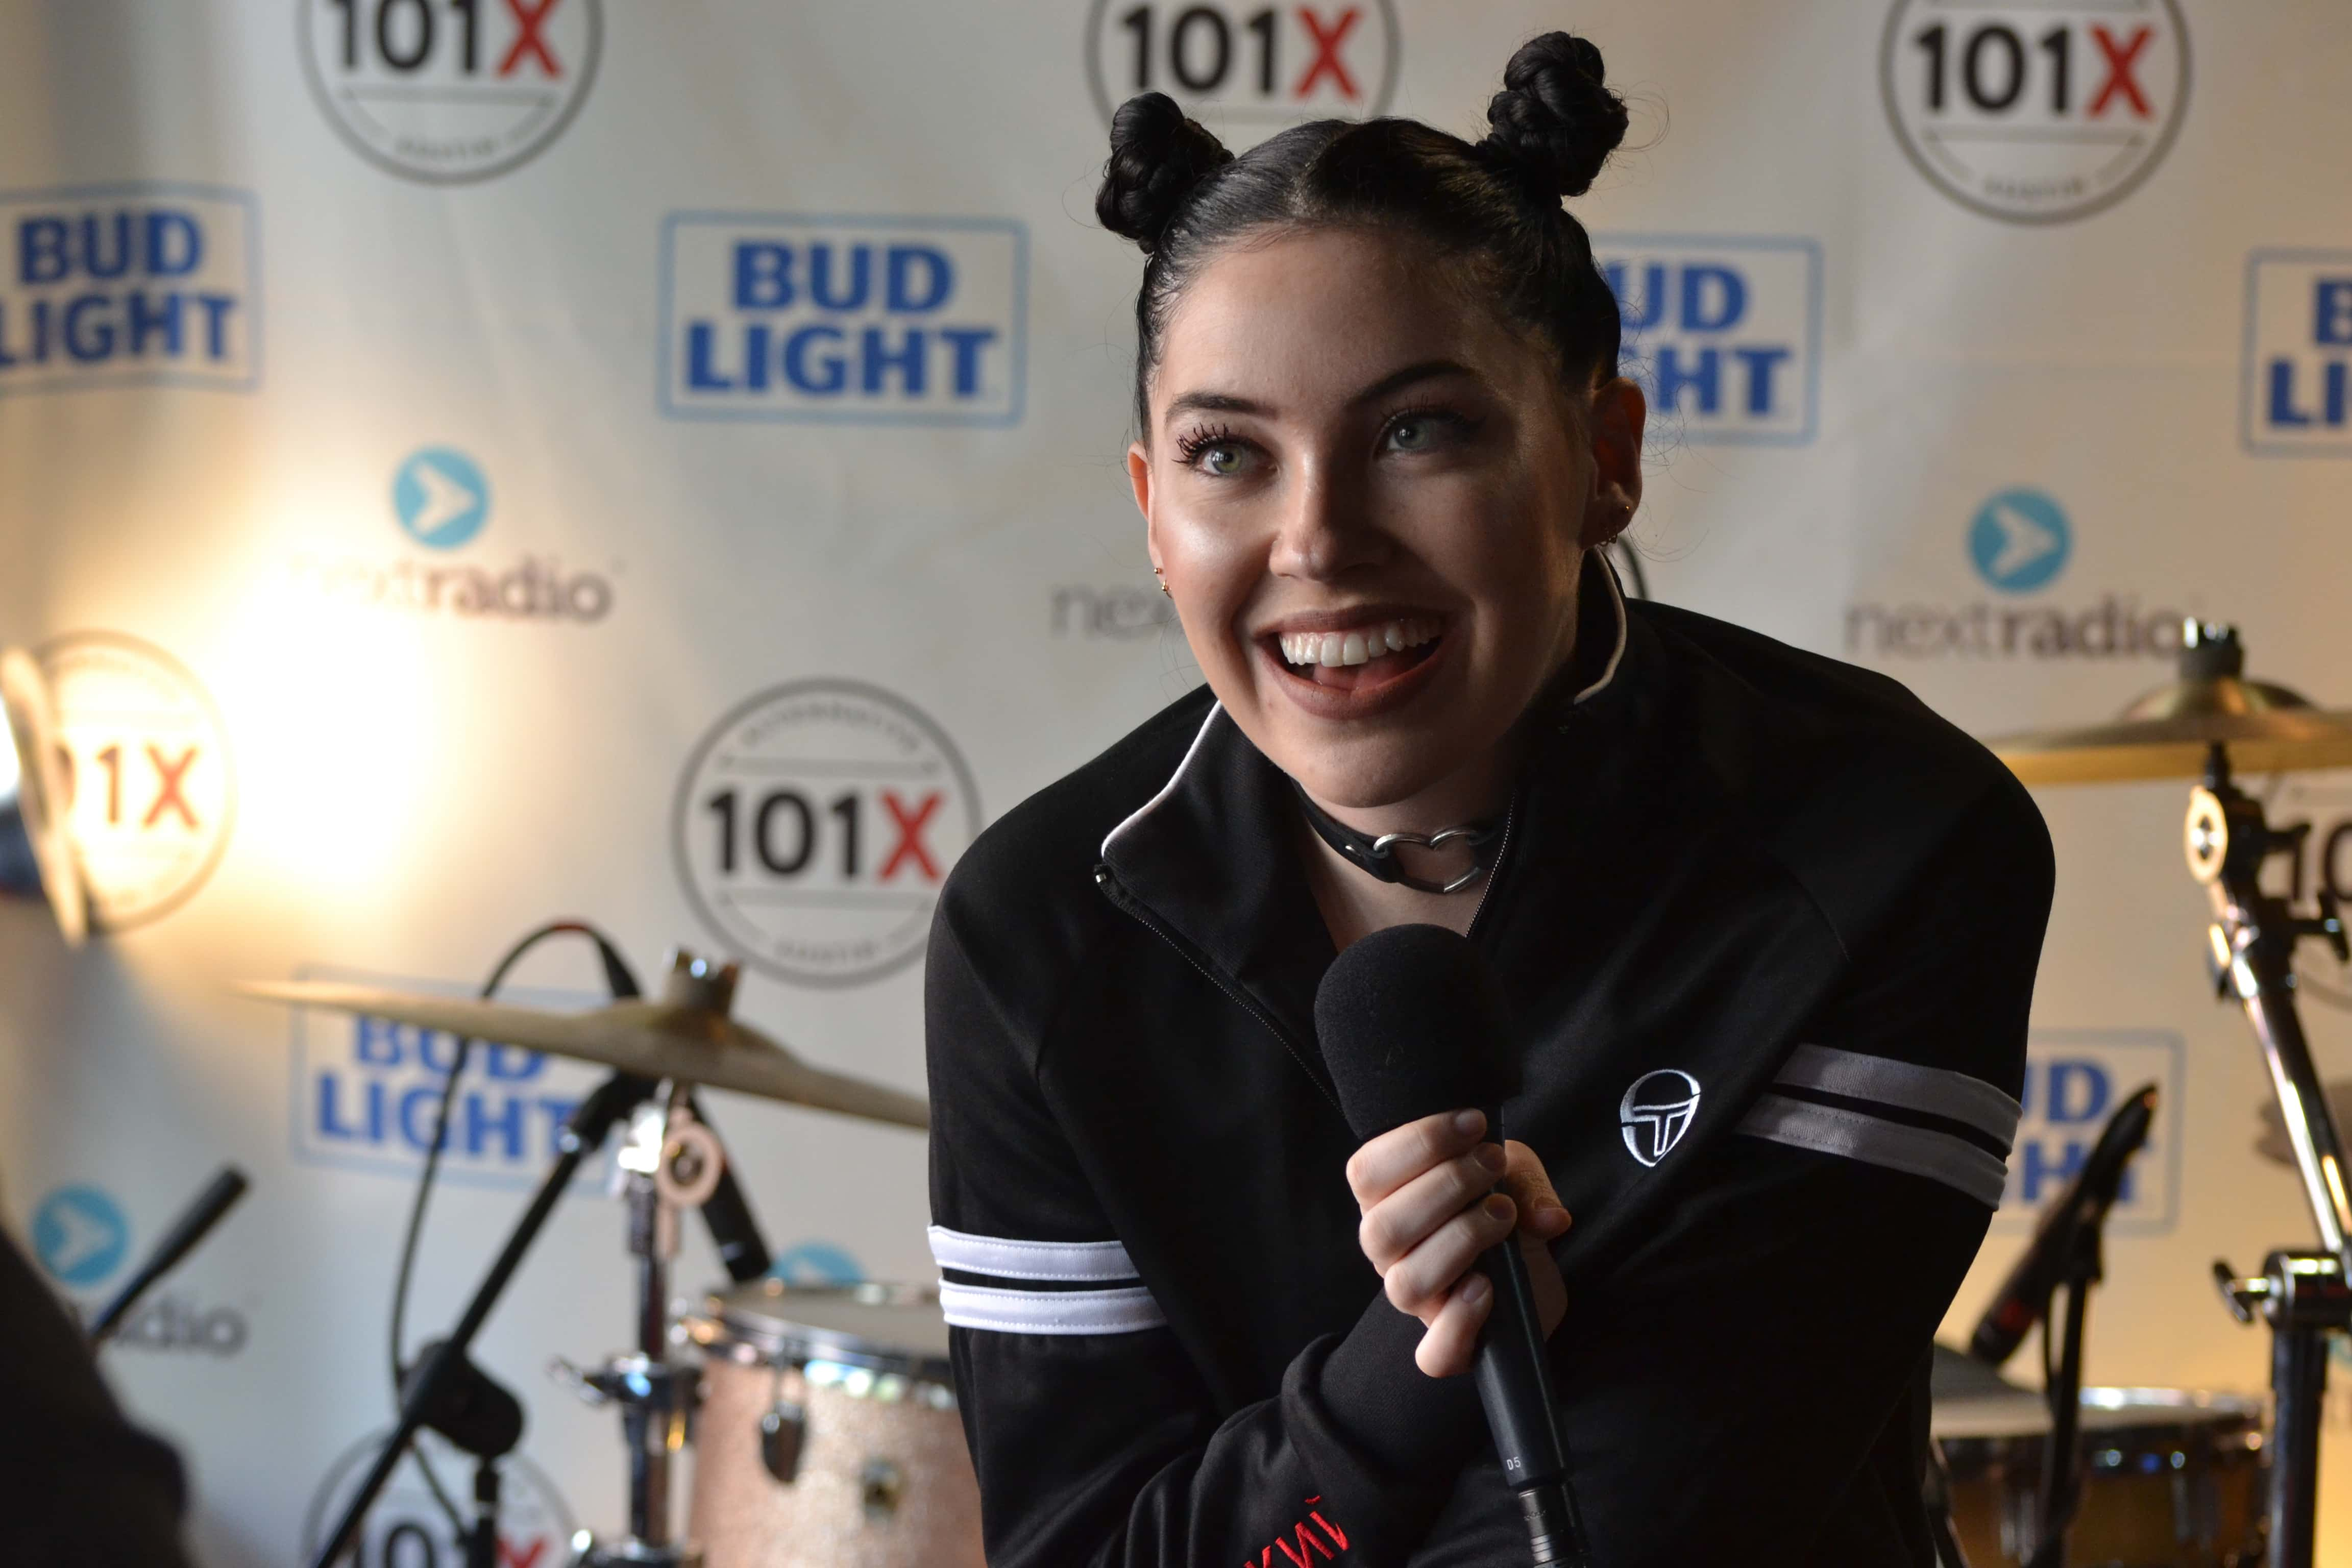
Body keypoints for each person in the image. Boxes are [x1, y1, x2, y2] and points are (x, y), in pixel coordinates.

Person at [924, 30, 2052, 1567]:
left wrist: (1344, 1439)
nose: (1318, 539)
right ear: (1150, 512)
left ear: (1603, 455)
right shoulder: (1038, 931)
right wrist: (1399, 1380)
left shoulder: (1890, 838)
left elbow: (1660, 1521)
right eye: (1228, 454)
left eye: (1416, 432)